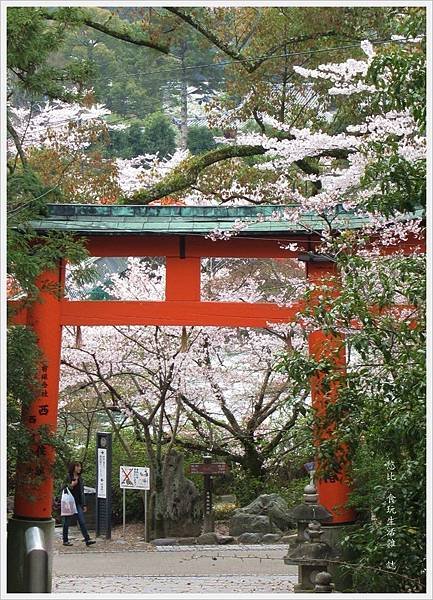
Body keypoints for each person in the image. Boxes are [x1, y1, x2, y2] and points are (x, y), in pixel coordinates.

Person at [62, 461, 96, 547]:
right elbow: (62, 488)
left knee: (82, 521)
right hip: (69, 502)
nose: (79, 468)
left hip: (77, 503)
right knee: (67, 521)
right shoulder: (68, 476)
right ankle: (65, 540)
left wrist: (84, 504)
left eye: (80, 466)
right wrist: (71, 485)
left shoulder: (80, 478)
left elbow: (82, 492)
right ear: (73, 467)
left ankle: (87, 539)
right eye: (77, 466)